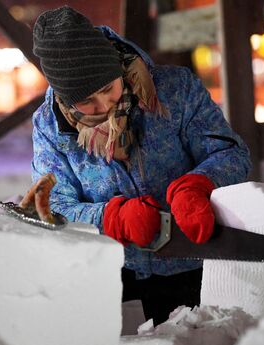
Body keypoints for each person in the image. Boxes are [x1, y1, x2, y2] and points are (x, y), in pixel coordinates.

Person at [21, 6, 251, 325]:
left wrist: (199, 184)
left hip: (196, 264)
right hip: (113, 276)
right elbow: (51, 206)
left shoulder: (176, 90)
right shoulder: (49, 126)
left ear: (116, 66)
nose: (104, 106)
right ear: (64, 96)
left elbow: (230, 153)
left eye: (107, 89)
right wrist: (110, 218)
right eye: (86, 102)